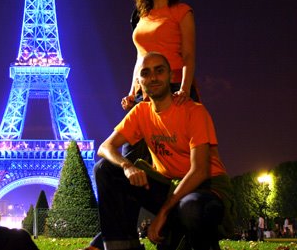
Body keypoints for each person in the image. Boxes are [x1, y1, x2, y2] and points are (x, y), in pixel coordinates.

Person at [93, 52, 234, 250]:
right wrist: (127, 166)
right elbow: (104, 147)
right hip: (167, 185)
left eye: (159, 71)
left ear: (170, 76)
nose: (153, 77)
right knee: (105, 169)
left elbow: (200, 170)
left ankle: (192, 236)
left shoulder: (194, 111)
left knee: (192, 209)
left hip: (205, 186)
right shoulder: (141, 112)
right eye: (146, 73)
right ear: (139, 82)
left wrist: (163, 213)